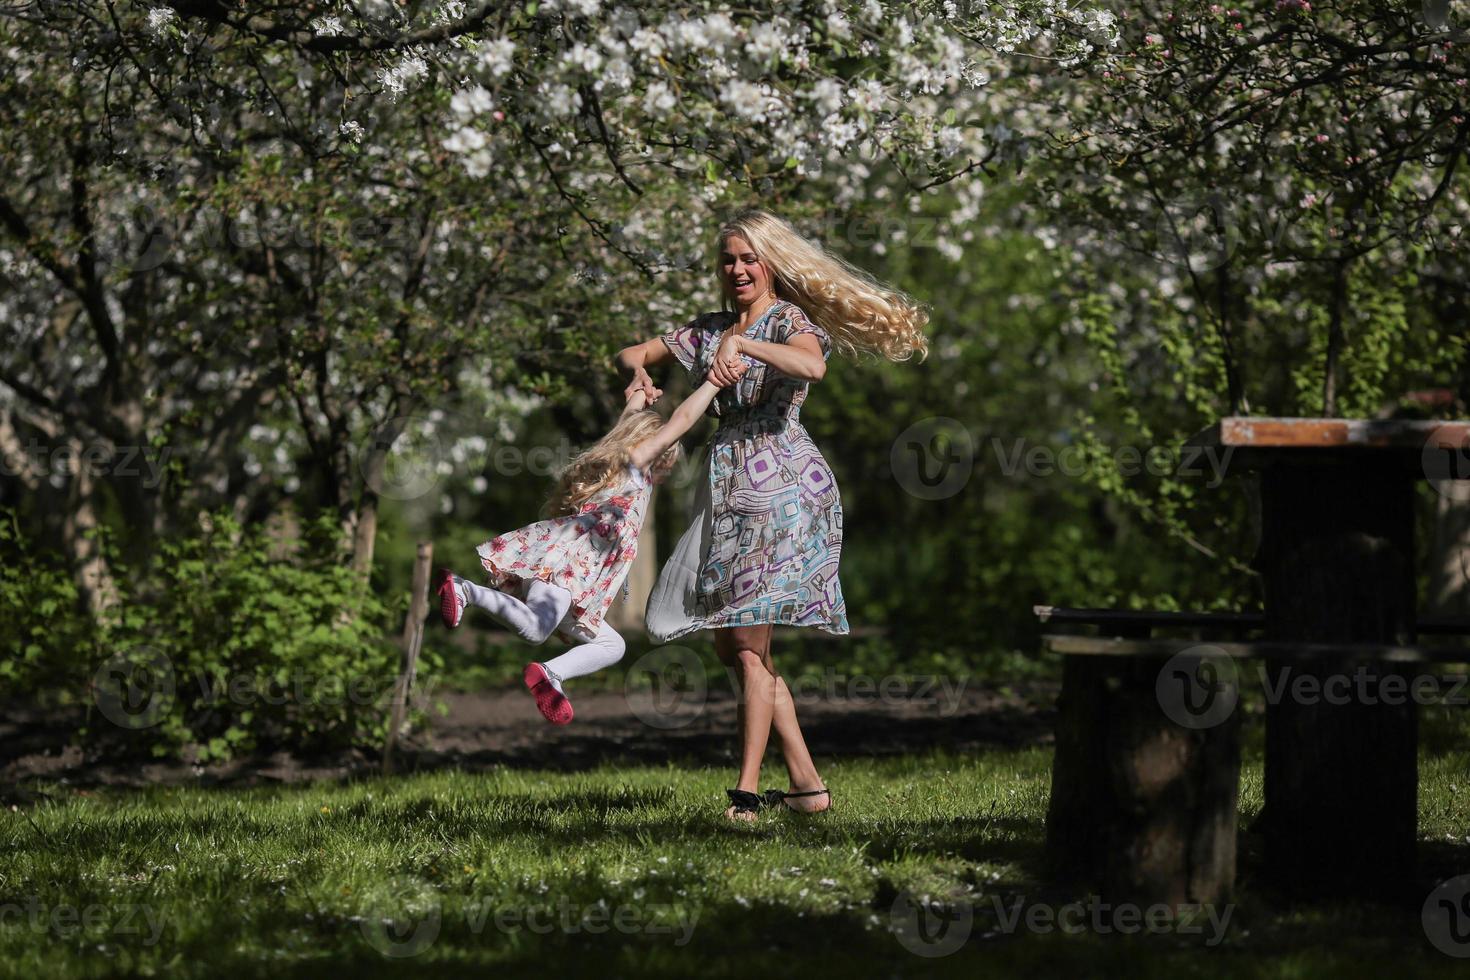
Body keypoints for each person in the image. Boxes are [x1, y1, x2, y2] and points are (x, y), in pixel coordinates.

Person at [616, 208, 929, 820]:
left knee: (748, 644)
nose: (737, 269)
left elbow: (812, 365)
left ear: (770, 263)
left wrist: (747, 345)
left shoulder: (790, 321)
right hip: (728, 487)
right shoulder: (706, 330)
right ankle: (808, 787)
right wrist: (639, 379)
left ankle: (747, 791)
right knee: (736, 649)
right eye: (728, 259)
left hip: (782, 487)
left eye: (748, 258)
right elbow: (631, 352)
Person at [434, 369, 744, 725]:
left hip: (569, 573)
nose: (669, 468)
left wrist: (638, 393)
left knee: (613, 645)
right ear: (655, 450)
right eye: (668, 459)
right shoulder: (634, 467)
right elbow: (683, 418)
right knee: (536, 628)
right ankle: (465, 590)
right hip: (568, 567)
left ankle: (550, 674)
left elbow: (625, 424)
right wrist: (714, 382)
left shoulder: (615, 463)